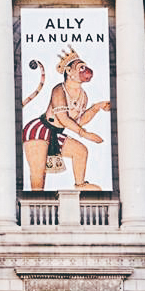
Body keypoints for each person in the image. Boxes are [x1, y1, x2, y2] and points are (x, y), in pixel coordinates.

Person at [22, 47, 110, 191]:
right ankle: (38, 203)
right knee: (38, 176)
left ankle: (80, 185)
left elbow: (77, 122)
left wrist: (96, 107)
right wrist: (85, 134)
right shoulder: (59, 90)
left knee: (80, 151)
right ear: (69, 71)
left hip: (55, 133)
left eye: (85, 67)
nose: (85, 70)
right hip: (38, 131)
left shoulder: (83, 95)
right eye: (81, 67)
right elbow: (63, 118)